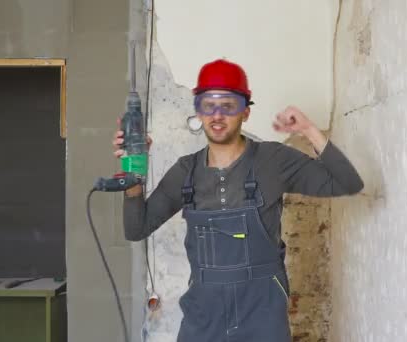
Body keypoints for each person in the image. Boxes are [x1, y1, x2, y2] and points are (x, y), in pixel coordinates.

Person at [113, 59, 363, 342]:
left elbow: (348, 182)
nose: (217, 115)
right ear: (198, 110)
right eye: (208, 104)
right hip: (203, 318)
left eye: (228, 105)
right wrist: (133, 172)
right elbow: (136, 229)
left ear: (245, 112)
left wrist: (308, 130)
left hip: (262, 315)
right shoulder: (185, 171)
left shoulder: (273, 160)